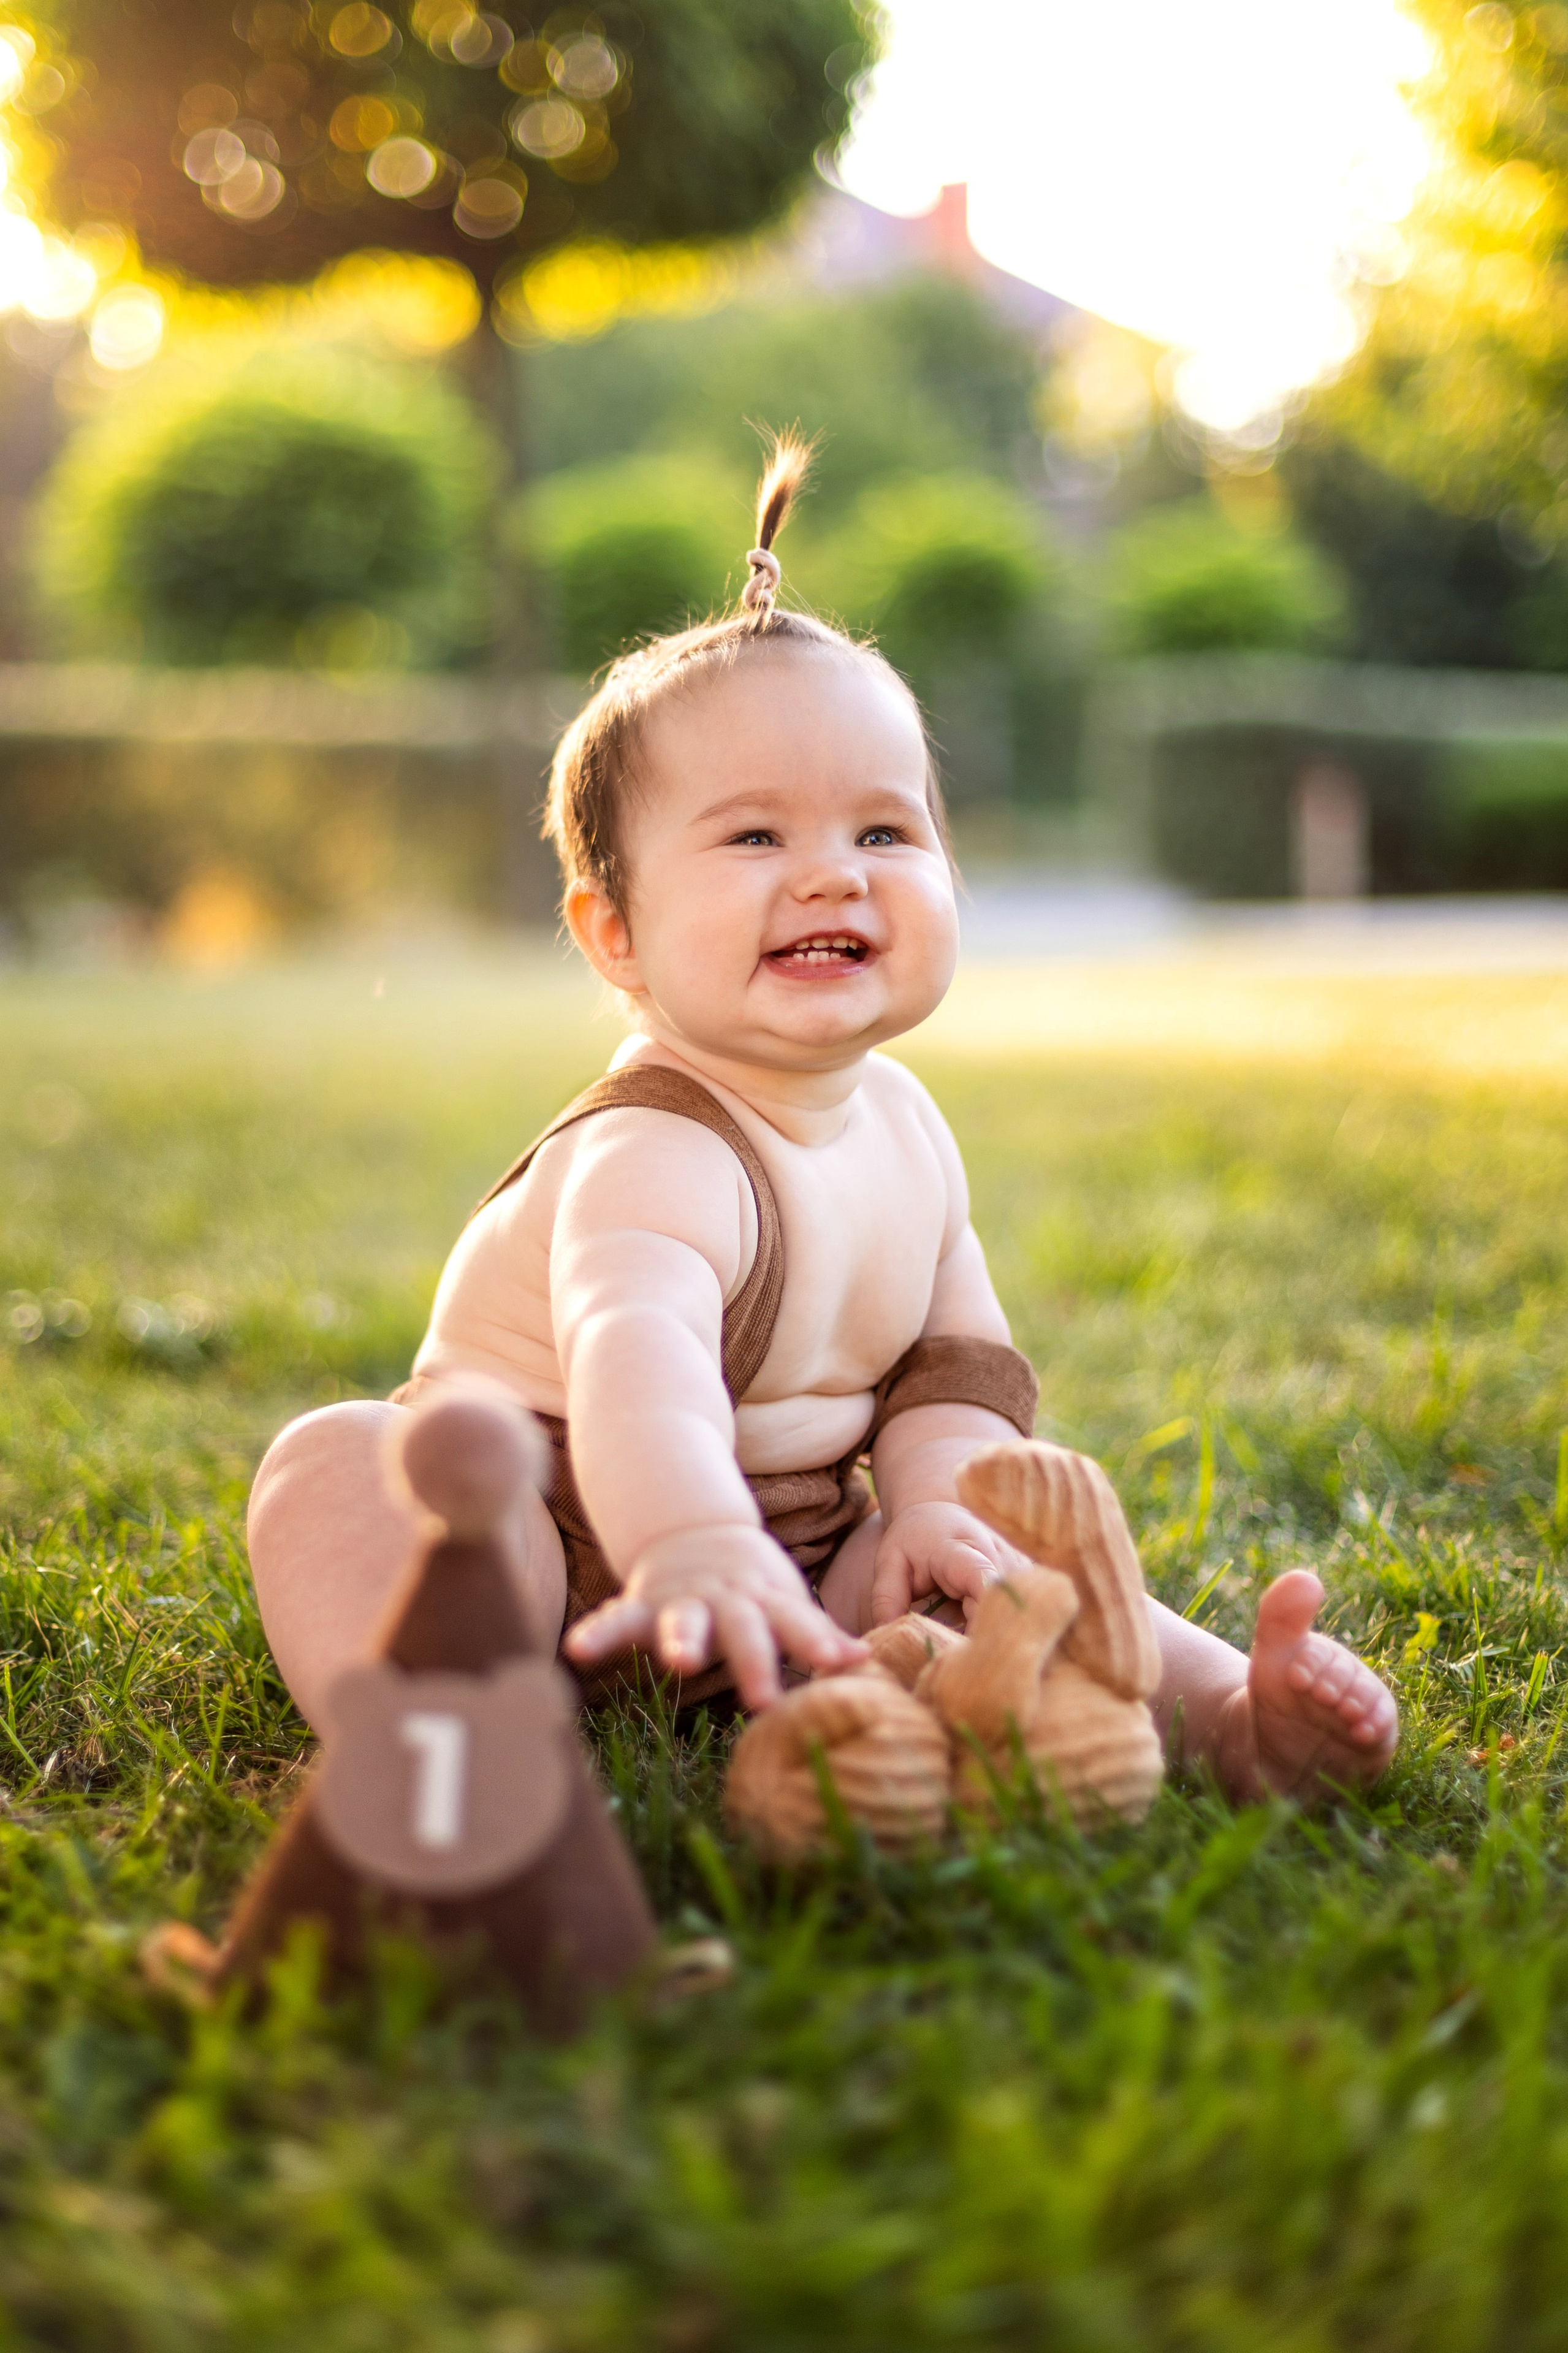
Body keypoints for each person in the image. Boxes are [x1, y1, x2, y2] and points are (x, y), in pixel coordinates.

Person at [248, 439, 1398, 1808]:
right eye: (754, 838)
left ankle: (1234, 1716)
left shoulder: (906, 1130)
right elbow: (633, 1359)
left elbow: (953, 1373)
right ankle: (438, 1728)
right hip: (551, 1535)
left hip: (794, 1563)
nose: (831, 877)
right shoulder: (653, 1145)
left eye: (883, 833)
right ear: (614, 935)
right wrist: (685, 1535)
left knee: (1010, 1563)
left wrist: (934, 1511)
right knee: (345, 1469)